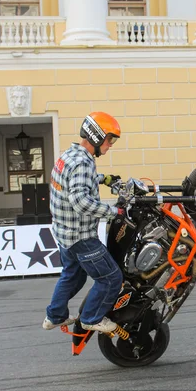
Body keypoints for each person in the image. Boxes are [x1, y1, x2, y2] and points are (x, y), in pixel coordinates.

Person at [42, 112, 125, 335]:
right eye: (110, 139)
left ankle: (54, 315)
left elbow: (74, 180)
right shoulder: (82, 163)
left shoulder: (70, 155)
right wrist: (114, 213)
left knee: (73, 276)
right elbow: (80, 201)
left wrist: (103, 178)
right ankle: (91, 318)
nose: (110, 145)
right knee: (111, 278)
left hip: (63, 233)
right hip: (81, 236)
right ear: (97, 137)